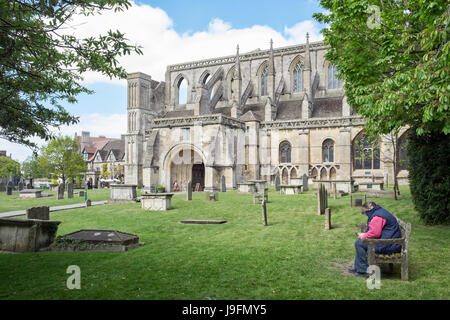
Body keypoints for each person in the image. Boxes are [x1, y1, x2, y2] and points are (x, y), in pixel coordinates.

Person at [349, 201, 402, 278]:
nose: (366, 215)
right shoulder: (379, 212)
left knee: (359, 243)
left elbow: (375, 233)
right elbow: (375, 230)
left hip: (389, 244)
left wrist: (363, 236)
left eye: (366, 212)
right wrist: (365, 235)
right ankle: (358, 267)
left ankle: (363, 270)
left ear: (371, 208)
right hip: (390, 241)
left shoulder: (377, 216)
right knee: (360, 242)